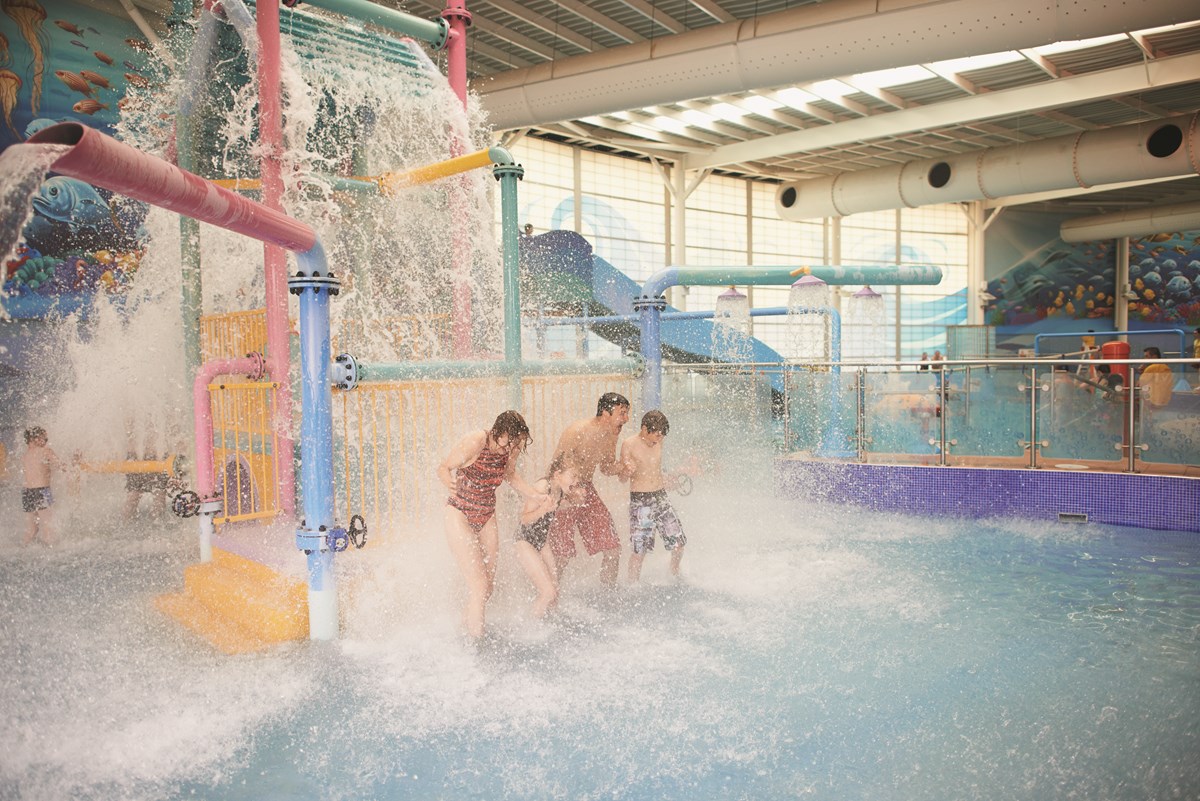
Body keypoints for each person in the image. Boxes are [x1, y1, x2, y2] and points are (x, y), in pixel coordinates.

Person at [438, 410, 543, 639]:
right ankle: (477, 645)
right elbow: (444, 467)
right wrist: (448, 479)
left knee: (487, 587)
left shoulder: (510, 447)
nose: (510, 450)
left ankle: (465, 629)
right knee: (479, 586)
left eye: (515, 446)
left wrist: (534, 495)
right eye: (508, 444)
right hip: (460, 512)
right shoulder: (477, 440)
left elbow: (510, 475)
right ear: (498, 432)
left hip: (486, 515)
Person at [547, 392, 631, 587]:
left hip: (586, 489)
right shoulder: (578, 430)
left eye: (626, 414)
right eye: (622, 413)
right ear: (605, 413)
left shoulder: (611, 435)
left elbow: (606, 467)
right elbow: (556, 467)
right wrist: (567, 492)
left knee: (613, 549)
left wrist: (624, 466)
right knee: (561, 555)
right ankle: (551, 596)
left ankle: (608, 596)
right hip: (561, 492)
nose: (626, 419)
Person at [620, 411, 688, 582]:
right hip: (641, 500)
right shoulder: (629, 444)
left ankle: (674, 573)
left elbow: (654, 468)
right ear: (644, 429)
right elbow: (622, 479)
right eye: (655, 434)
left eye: (661, 435)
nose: (658, 439)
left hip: (660, 496)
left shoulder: (659, 440)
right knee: (639, 551)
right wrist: (627, 470)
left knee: (678, 543)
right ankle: (632, 585)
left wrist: (668, 479)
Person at [513, 453, 581, 619]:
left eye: (578, 476)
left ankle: (550, 623)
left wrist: (573, 501)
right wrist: (544, 510)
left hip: (541, 542)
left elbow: (556, 506)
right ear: (557, 475)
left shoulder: (560, 490)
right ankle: (531, 629)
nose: (576, 481)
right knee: (548, 592)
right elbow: (524, 518)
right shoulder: (543, 487)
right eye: (573, 476)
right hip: (524, 542)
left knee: (555, 591)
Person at [21, 426, 66, 546]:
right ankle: (51, 553)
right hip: (42, 491)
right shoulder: (46, 451)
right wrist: (75, 463)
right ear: (35, 439)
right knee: (47, 527)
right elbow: (61, 466)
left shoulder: (25, 455)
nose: (46, 441)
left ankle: (23, 547)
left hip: (27, 493)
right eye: (44, 438)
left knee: (32, 530)